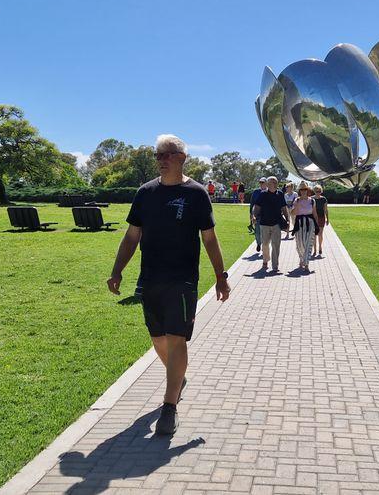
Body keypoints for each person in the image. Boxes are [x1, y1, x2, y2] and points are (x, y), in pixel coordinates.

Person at [107, 134, 230, 436]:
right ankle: (178, 376)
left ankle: (169, 407)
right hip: (150, 278)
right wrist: (117, 270)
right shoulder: (145, 192)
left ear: (182, 158)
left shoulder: (197, 194)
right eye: (157, 155)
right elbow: (132, 236)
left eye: (167, 154)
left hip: (183, 279)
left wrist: (221, 275)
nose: (161, 160)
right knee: (158, 339)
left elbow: (209, 238)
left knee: (176, 339)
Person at [252, 176, 287, 272]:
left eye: (275, 182)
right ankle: (265, 260)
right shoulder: (263, 194)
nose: (274, 184)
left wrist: (287, 220)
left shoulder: (280, 194)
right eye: (272, 182)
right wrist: (254, 216)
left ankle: (275, 265)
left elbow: (284, 207)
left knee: (276, 245)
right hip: (264, 223)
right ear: (267, 184)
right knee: (265, 244)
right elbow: (257, 206)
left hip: (276, 224)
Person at [291, 181, 319, 272]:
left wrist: (317, 225)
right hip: (299, 223)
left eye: (305, 189)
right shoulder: (296, 200)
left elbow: (314, 213)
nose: (303, 191)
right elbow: (293, 213)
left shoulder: (312, 200)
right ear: (300, 191)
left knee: (308, 243)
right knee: (300, 243)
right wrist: (298, 204)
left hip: (310, 223)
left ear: (308, 190)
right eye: (302, 190)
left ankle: (306, 263)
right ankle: (301, 258)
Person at [250, 178, 267, 252]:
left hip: (266, 215)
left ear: (266, 183)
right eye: (260, 182)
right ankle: (258, 243)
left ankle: (264, 245)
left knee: (265, 232)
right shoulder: (256, 192)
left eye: (263, 182)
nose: (261, 184)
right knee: (257, 232)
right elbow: (252, 204)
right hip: (257, 215)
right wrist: (251, 214)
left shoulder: (269, 191)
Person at [312, 185, 329, 257]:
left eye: (319, 191)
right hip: (313, 218)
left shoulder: (323, 199)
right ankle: (315, 249)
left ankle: (320, 247)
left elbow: (326, 209)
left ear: (321, 191)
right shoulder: (311, 199)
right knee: (314, 234)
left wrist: (327, 219)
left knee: (320, 234)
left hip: (321, 217)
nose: (318, 193)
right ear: (314, 191)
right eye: (316, 191)